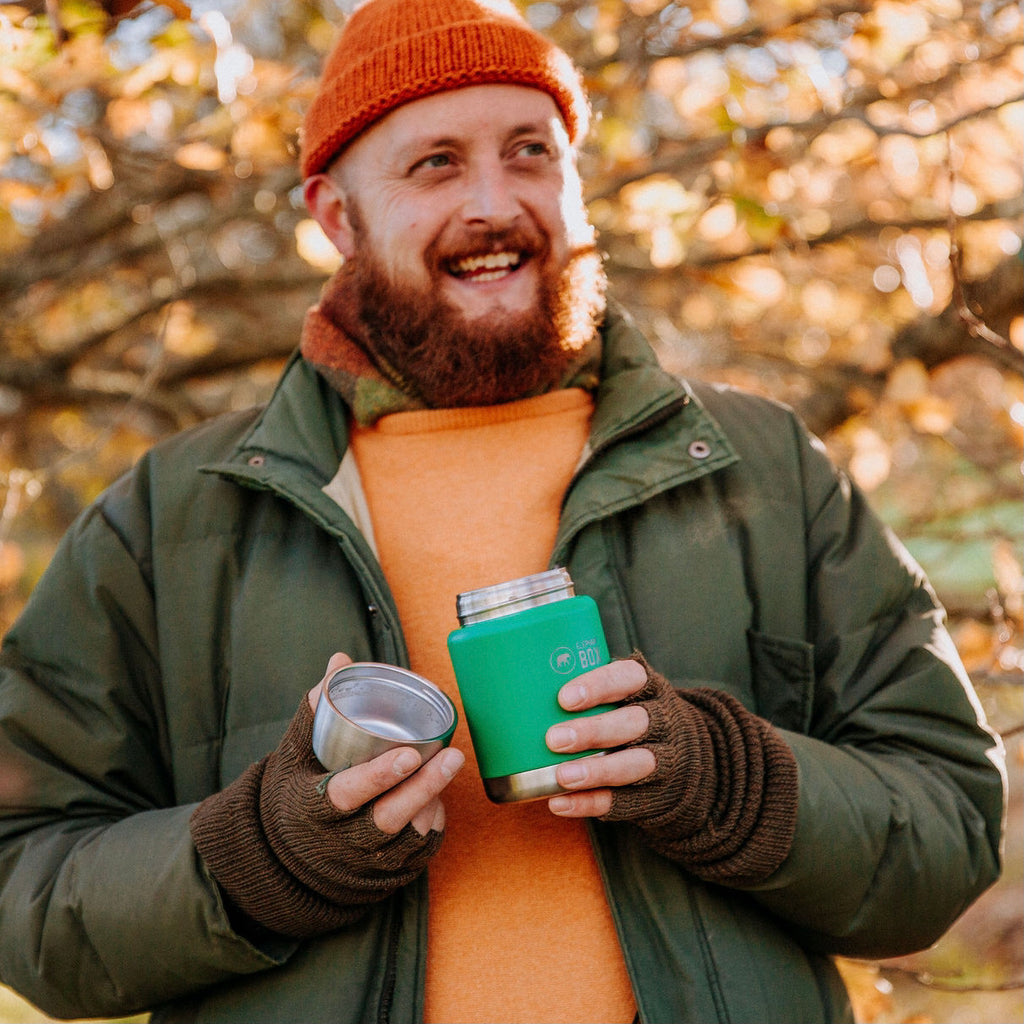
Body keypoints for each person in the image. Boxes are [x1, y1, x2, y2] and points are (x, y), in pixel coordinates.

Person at [0, 1, 1006, 1022]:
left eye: (530, 152)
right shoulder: (175, 518)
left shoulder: (760, 469)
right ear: (337, 216)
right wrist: (250, 860)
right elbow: (21, 882)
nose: (493, 201)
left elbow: (950, 824)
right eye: (434, 163)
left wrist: (735, 783)